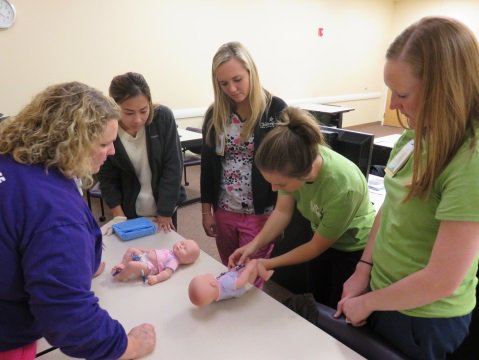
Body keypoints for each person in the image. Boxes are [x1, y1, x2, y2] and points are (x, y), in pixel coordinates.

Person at [334, 17, 479, 360]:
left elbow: (441, 280)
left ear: (445, 89)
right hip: (384, 292)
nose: (394, 105)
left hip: (424, 316)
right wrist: (363, 269)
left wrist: (368, 302)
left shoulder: (470, 159)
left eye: (402, 94)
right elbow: (393, 203)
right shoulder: (417, 134)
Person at [0, 82, 155, 359]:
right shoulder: (57, 213)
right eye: (104, 144)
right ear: (73, 142)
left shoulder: (13, 160)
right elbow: (69, 315)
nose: (112, 152)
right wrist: (127, 345)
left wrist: (80, 264)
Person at [229, 106, 375, 308]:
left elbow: (315, 246)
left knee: (338, 306)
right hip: (320, 235)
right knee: (318, 295)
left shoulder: (343, 187)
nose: (274, 188)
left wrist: (266, 263)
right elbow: (281, 212)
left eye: (280, 184)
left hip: (353, 247)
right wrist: (253, 246)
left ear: (305, 174)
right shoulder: (293, 161)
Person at [200, 41, 287, 269]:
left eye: (237, 80)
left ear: (251, 72)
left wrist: (281, 215)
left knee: (250, 275)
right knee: (229, 269)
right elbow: (208, 166)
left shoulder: (275, 109)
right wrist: (206, 211)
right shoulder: (215, 114)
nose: (231, 89)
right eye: (223, 83)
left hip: (261, 212)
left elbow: (287, 166)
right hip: (224, 209)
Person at [98, 72, 185, 232]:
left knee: (165, 254)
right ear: (114, 107)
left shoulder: (162, 118)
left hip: (164, 207)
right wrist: (119, 215)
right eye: (129, 113)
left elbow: (173, 167)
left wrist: (165, 213)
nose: (137, 119)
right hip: (129, 210)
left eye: (144, 111)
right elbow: (107, 177)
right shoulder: (108, 128)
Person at [111, 239, 200, 285]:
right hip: (144, 257)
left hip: (149, 267)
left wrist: (156, 278)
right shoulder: (170, 251)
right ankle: (123, 264)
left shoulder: (174, 261)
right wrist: (143, 251)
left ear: (188, 260)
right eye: (181, 243)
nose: (180, 246)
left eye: (184, 249)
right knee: (131, 249)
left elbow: (167, 273)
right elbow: (154, 252)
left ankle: (121, 275)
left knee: (132, 265)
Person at [188, 259, 274, 307]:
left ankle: (249, 267)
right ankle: (265, 274)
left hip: (235, 279)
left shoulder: (214, 294)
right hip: (245, 284)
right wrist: (248, 269)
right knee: (255, 263)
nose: (206, 274)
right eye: (204, 277)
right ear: (213, 284)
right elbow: (240, 282)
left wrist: (233, 271)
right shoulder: (225, 283)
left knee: (247, 263)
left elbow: (226, 279)